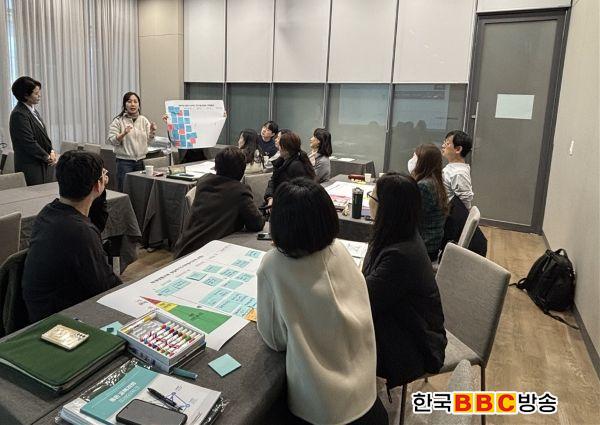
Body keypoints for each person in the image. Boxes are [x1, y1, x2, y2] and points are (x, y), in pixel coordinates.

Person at [257, 178, 387, 425]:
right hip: (367, 396)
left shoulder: (273, 264)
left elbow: (275, 340)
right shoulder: (339, 250)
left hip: (321, 409)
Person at [362, 173, 447, 389]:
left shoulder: (400, 255)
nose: (369, 202)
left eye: (372, 197)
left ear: (385, 209)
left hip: (413, 345)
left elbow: (363, 301)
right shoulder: (400, 235)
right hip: (405, 322)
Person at [22, 151, 121, 323]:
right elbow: (105, 287)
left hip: (41, 307)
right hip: (59, 319)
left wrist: (99, 189)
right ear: (97, 184)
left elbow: (95, 224)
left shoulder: (49, 212)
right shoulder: (79, 231)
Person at [173, 147, 265, 259]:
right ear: (242, 169)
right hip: (206, 254)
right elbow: (257, 224)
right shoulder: (240, 191)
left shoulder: (204, 181)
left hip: (184, 248)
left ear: (216, 166)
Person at [9, 76, 57, 186]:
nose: (39, 95)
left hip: (42, 164)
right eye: (36, 93)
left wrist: (51, 151)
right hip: (31, 167)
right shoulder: (19, 114)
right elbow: (28, 142)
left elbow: (42, 137)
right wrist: (47, 157)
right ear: (25, 95)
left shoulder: (32, 110)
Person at [107, 92, 157, 191]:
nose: (132, 104)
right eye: (129, 101)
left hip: (141, 161)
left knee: (140, 190)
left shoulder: (143, 120)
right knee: (124, 190)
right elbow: (112, 141)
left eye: (135, 102)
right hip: (124, 162)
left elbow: (150, 142)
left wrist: (152, 132)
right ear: (124, 104)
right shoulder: (118, 121)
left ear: (139, 104)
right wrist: (123, 133)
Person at [411, 144, 448, 261]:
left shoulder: (424, 186)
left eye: (414, 158)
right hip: (432, 243)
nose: (412, 161)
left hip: (425, 248)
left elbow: (411, 217)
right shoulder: (434, 181)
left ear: (422, 162)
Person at [264, 131, 315, 208]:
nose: (278, 148)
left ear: (286, 148)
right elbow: (273, 180)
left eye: (280, 145)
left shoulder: (296, 166)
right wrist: (270, 197)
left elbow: (295, 193)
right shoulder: (281, 161)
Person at [441, 130, 474, 209]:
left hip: (449, 213)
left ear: (458, 149)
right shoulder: (453, 167)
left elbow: (465, 203)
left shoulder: (459, 173)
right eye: (444, 142)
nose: (443, 146)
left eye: (447, 143)